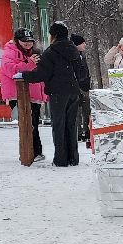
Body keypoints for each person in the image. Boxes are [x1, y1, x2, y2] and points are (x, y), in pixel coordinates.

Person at [21, 21, 90, 166]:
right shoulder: (75, 51)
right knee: (71, 125)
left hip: (58, 93)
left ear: (54, 35)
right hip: (73, 92)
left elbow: (41, 74)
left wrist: (24, 75)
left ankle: (61, 159)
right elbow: (82, 73)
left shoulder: (50, 52)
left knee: (59, 126)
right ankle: (73, 158)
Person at [0, 29, 44, 161]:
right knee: (27, 123)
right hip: (17, 94)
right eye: (25, 42)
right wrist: (29, 63)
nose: (28, 44)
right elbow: (10, 70)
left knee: (33, 122)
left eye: (30, 41)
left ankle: (36, 152)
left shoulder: (34, 53)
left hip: (33, 93)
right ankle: (29, 152)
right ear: (17, 41)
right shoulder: (9, 52)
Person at [71, 33, 92, 143]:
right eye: (82, 43)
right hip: (77, 86)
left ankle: (87, 130)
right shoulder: (72, 56)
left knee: (87, 109)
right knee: (77, 110)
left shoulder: (81, 55)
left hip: (84, 86)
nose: (84, 44)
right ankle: (78, 132)